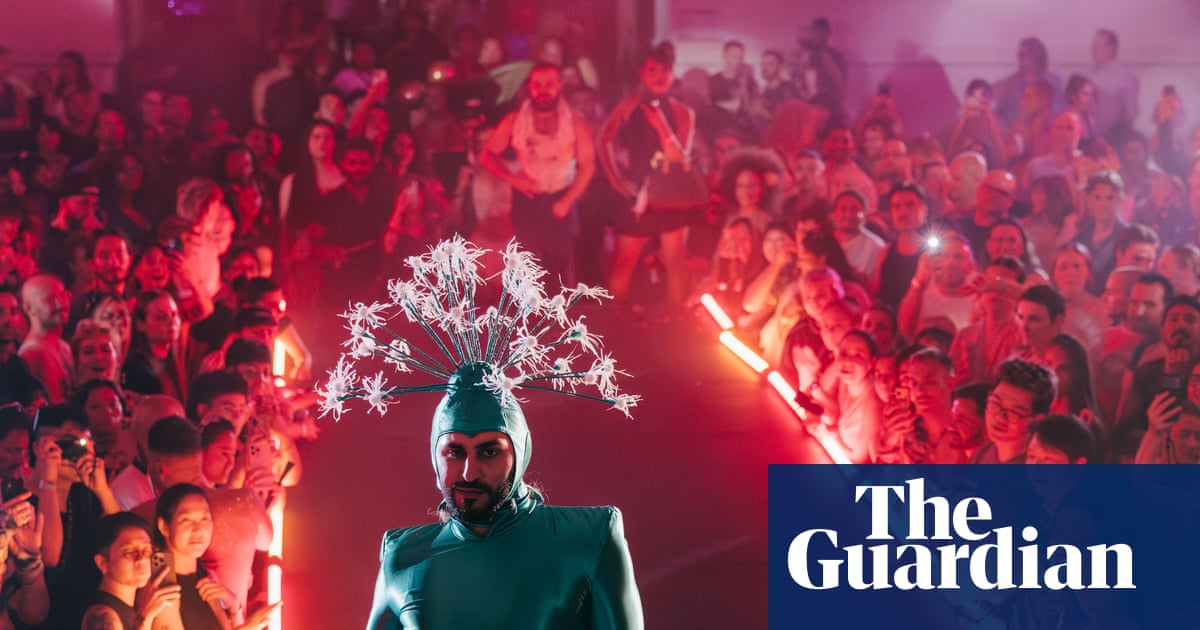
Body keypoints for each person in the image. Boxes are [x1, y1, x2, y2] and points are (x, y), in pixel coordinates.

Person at [599, 43, 700, 311]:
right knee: (624, 261)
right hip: (638, 195)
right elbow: (604, 139)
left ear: (672, 73)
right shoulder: (629, 106)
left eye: (665, 70)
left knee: (675, 260)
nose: (659, 76)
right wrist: (616, 179)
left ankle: (678, 323)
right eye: (652, 69)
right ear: (642, 74)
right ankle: (615, 323)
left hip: (670, 195)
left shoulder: (682, 112)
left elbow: (679, 158)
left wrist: (662, 127)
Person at [480, 63, 595, 285]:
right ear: (529, 87)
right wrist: (513, 180)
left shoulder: (575, 123)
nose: (543, 90)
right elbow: (487, 155)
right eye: (537, 85)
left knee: (559, 270)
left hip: (561, 198)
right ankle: (528, 317)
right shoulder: (514, 121)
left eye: (549, 84)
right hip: (528, 201)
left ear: (559, 86)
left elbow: (588, 165)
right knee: (527, 267)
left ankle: (558, 317)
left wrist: (567, 201)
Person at [82, 512, 181, 630]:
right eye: (129, 552)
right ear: (103, 563)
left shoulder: (132, 607)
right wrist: (145, 618)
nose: (141, 559)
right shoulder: (104, 613)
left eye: (146, 551)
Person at [973, 357, 1058, 463]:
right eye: (995, 403)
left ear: (1038, 419)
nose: (1000, 416)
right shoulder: (983, 453)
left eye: (1014, 412)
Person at [19, 273, 74, 403]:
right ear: (29, 307)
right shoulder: (32, 354)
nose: (61, 304)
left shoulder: (63, 346)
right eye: (50, 299)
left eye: (63, 295)